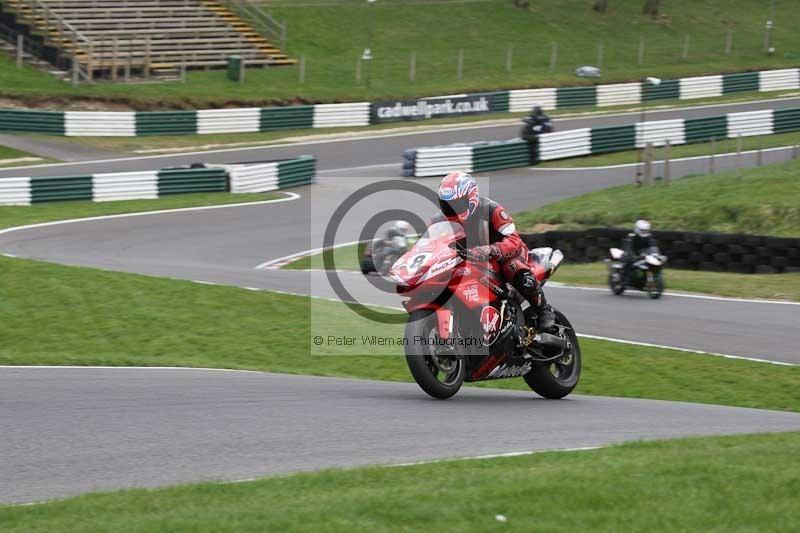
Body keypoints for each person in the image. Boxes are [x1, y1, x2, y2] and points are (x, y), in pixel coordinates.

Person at [433, 171, 555, 331]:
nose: (452, 209)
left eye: (457, 203)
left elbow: (514, 240)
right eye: (447, 204)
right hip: (470, 260)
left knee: (512, 267)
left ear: (472, 197)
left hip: (505, 255)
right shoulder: (438, 220)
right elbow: (431, 244)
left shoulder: (492, 210)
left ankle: (543, 309)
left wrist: (491, 249)